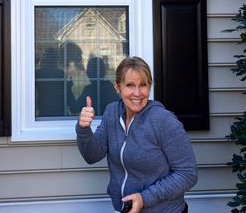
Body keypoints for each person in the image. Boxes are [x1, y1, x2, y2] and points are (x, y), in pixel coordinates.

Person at [76, 56, 197, 213]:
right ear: (117, 87)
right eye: (130, 85)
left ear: (149, 87)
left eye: (143, 85)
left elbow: (188, 174)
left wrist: (144, 198)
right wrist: (83, 129)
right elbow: (92, 155)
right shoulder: (111, 113)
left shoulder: (164, 121)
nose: (137, 93)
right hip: (124, 209)